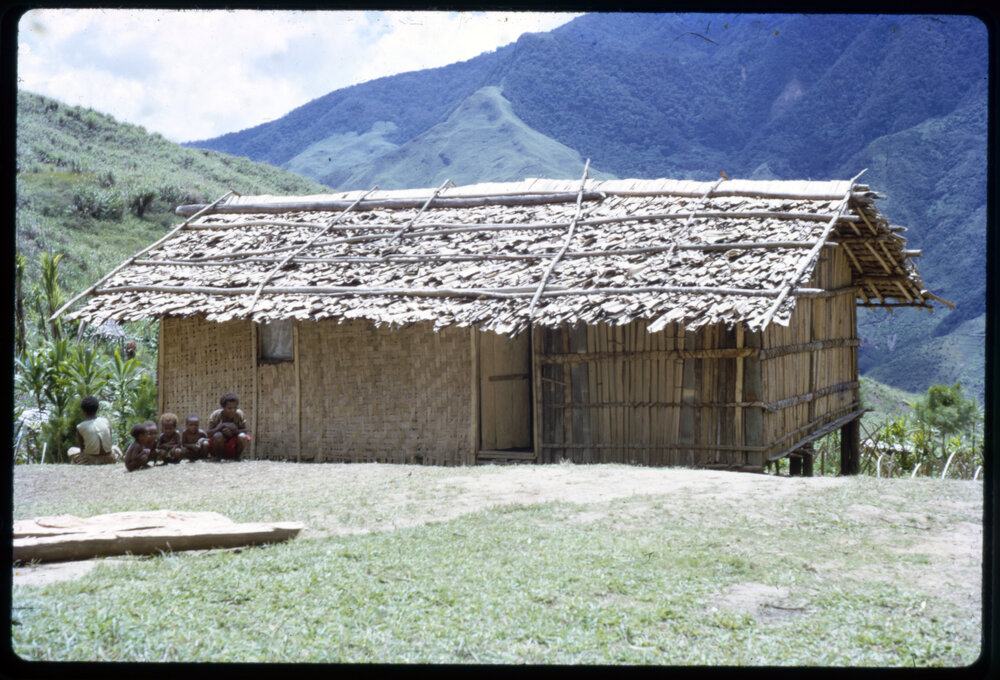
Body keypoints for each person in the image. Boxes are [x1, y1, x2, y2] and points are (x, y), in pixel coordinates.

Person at [68, 396, 121, 465]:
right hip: (110, 458)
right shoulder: (105, 421)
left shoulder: (80, 427)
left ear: (83, 411)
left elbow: (82, 449)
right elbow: (109, 441)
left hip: (91, 460)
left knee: (71, 450)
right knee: (115, 447)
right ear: (97, 409)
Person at [207, 392, 251, 461]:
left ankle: (237, 457)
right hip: (219, 443)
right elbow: (209, 433)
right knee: (218, 435)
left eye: (235, 408)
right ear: (223, 407)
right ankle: (218, 457)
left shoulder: (239, 414)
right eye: (229, 408)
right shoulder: (216, 415)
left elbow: (245, 430)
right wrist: (222, 426)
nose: (233, 411)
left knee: (242, 436)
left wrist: (235, 431)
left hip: (233, 443)